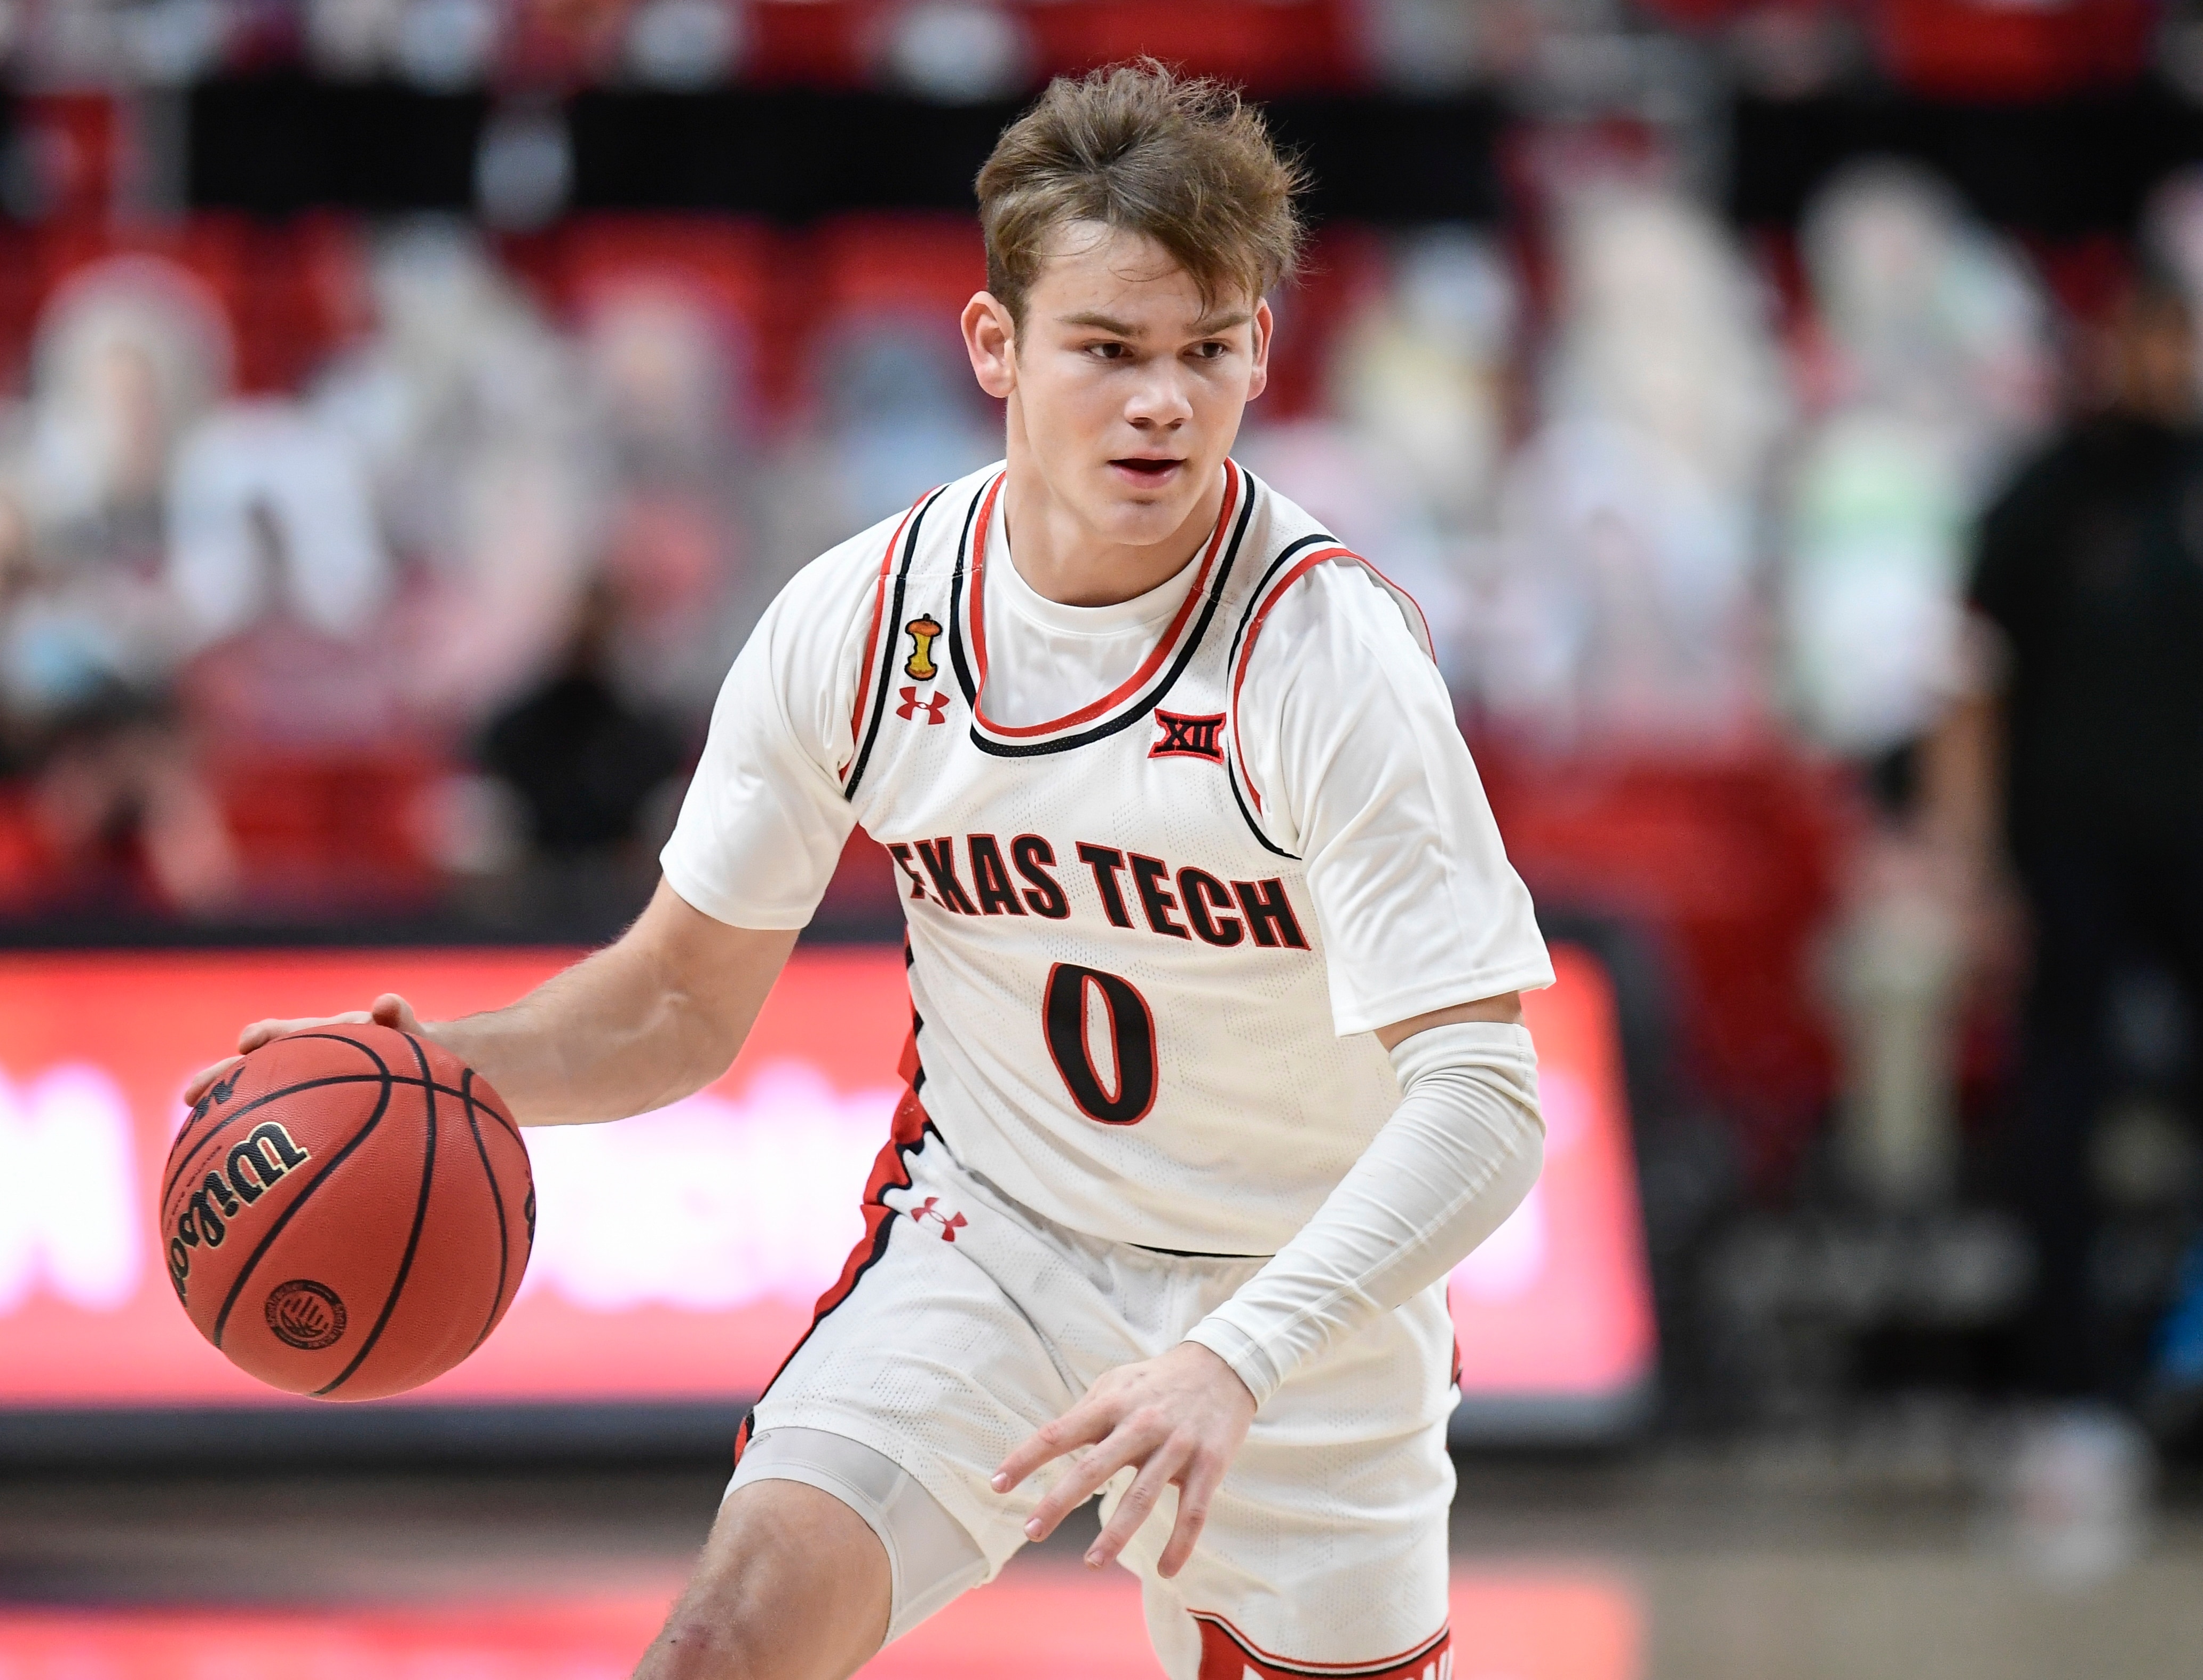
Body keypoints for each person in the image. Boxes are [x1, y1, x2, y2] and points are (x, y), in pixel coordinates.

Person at [189, 66, 1551, 1680]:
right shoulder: (863, 618)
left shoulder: (1327, 653)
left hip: (1299, 1304)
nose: (1162, 403)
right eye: (1107, 349)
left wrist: (1237, 1356)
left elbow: (1485, 1099)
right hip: (1001, 1243)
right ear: (996, 346)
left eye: (1205, 350)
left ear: (1260, 346)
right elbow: (676, 1002)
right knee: (720, 1647)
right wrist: (433, 1072)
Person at [1928, 270, 2203, 1412]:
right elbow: (1969, 686)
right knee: (2059, 1103)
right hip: (2069, 851)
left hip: (2190, 849)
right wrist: (1970, 865)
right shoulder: (2045, 495)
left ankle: (2181, 1345)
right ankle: (2067, 1379)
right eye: (2149, 338)